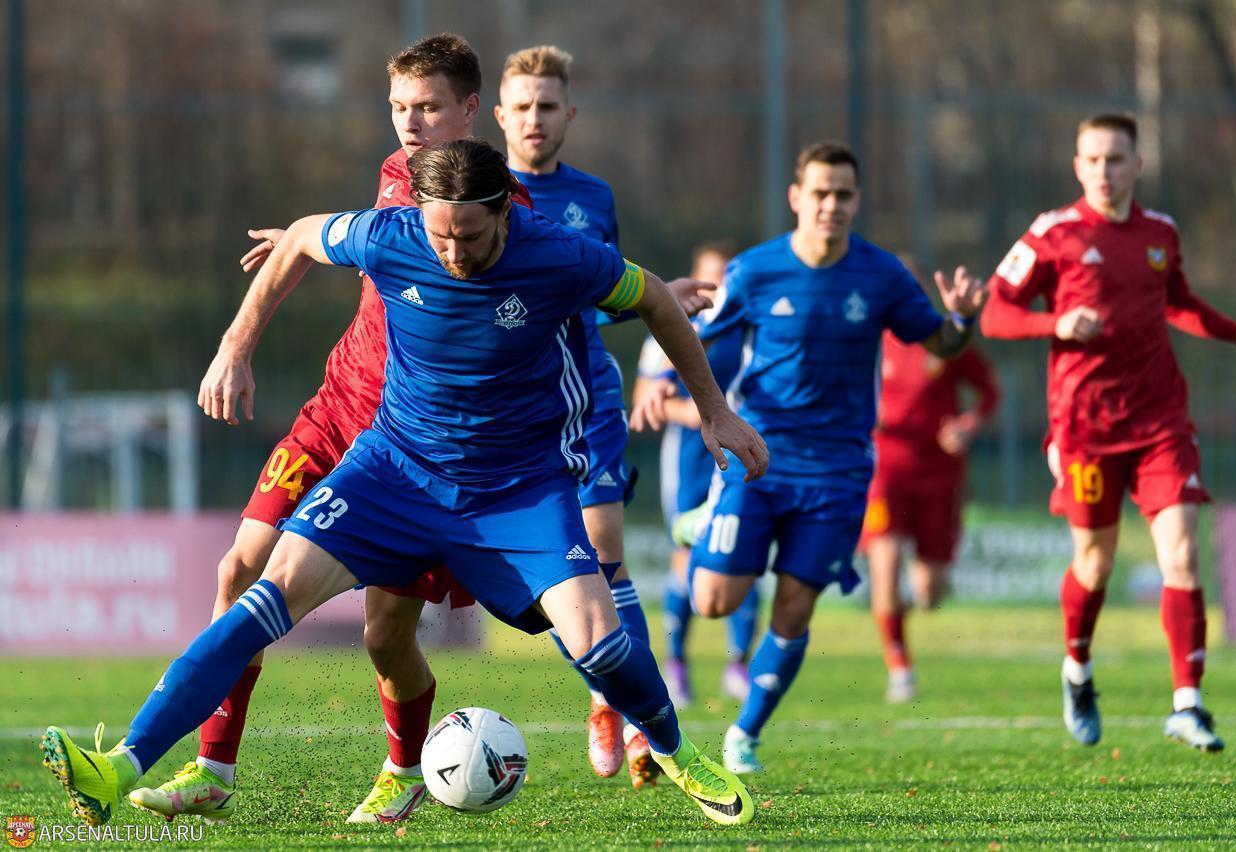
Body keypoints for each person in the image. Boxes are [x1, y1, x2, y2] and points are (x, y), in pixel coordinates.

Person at [41, 139, 767, 829]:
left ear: (505, 213)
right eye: (440, 236)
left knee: (599, 641)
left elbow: (655, 299)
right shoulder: (388, 234)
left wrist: (714, 411)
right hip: (392, 473)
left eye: (470, 237)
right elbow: (301, 236)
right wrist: (235, 344)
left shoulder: (561, 253)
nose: (453, 252)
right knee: (264, 593)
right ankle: (121, 766)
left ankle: (678, 754)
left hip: (515, 489)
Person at [127, 35, 519, 826]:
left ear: (471, 110)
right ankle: (212, 769)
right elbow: (351, 240)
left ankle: (403, 770)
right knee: (240, 569)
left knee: (385, 637)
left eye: (429, 107)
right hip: (337, 411)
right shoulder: (395, 172)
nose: (410, 122)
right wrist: (237, 346)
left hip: (411, 450)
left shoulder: (501, 213)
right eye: (399, 107)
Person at [633, 141, 986, 774]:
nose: (831, 205)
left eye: (843, 194)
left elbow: (940, 341)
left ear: (857, 200)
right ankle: (708, 520)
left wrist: (960, 322)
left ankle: (745, 734)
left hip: (839, 472)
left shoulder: (882, 275)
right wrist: (662, 382)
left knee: (795, 608)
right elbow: (702, 340)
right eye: (820, 193)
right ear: (797, 197)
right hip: (760, 458)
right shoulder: (754, 270)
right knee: (712, 601)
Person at [981, 112, 1236, 751]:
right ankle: (1077, 668)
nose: (1104, 171)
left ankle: (1188, 704)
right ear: (1076, 166)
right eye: (1092, 160)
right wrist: (1055, 324)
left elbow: (1178, 302)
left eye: (1115, 159)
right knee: (1096, 562)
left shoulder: (1160, 232)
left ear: (1138, 165)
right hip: (1084, 427)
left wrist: (1235, 333)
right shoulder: (1053, 233)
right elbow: (996, 314)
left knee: (1183, 553)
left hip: (1160, 419)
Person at [492, 44, 654, 786]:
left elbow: (603, 293)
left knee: (606, 554)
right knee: (557, 573)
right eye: (523, 106)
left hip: (587, 394)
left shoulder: (594, 196)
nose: (535, 118)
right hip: (505, 410)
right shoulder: (475, 192)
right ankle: (603, 685)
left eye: (548, 106)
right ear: (499, 115)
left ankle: (635, 716)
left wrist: (657, 294)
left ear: (570, 114)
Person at [632, 242, 762, 708]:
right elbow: (645, 400)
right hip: (689, 459)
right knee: (685, 557)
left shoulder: (748, 328)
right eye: (711, 276)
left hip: (739, 451)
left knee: (743, 551)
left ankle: (738, 664)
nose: (718, 286)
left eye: (727, 276)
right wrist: (696, 413)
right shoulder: (666, 327)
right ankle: (677, 664)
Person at [863, 308, 1000, 703]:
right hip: (885, 471)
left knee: (929, 593)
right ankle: (900, 666)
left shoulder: (945, 340)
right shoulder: (867, 341)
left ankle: (906, 603)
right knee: (885, 566)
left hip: (940, 474)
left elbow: (989, 392)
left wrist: (968, 425)